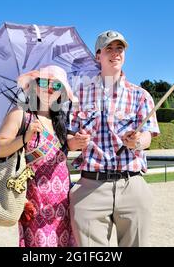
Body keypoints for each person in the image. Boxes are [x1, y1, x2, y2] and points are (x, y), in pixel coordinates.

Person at [67, 30, 160, 247]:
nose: (115, 53)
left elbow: (148, 136)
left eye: (120, 49)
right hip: (90, 187)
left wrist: (137, 142)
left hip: (132, 186)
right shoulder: (78, 95)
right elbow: (68, 138)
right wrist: (75, 142)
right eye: (109, 48)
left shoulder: (141, 95)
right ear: (97, 56)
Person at [0, 65, 77, 247]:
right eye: (44, 82)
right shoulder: (20, 114)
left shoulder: (60, 123)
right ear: (33, 86)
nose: (49, 88)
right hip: (35, 203)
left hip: (63, 206)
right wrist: (25, 137)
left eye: (56, 86)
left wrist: (76, 143)